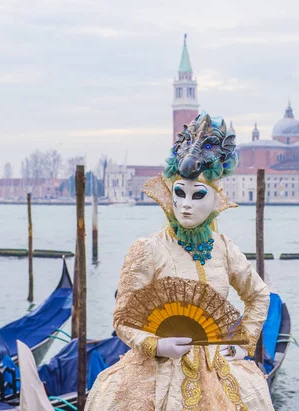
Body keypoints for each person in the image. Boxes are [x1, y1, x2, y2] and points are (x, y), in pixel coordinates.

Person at [86, 112, 273, 411]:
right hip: (158, 373)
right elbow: (123, 319)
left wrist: (243, 341)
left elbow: (259, 294)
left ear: (216, 200)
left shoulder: (224, 248)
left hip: (216, 369)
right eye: (179, 194)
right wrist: (156, 345)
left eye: (197, 195)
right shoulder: (148, 249)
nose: (186, 205)